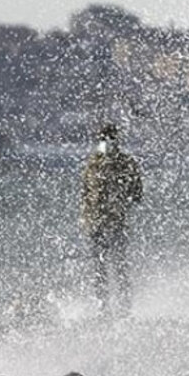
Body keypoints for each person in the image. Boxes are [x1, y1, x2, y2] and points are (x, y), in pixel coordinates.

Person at [79, 123, 143, 316]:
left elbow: (138, 193)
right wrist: (85, 217)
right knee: (99, 267)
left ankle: (124, 306)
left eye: (110, 138)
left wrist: (122, 200)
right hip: (95, 222)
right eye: (103, 139)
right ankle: (103, 306)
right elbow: (84, 193)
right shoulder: (92, 163)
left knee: (119, 265)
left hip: (117, 221)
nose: (106, 143)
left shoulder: (127, 163)